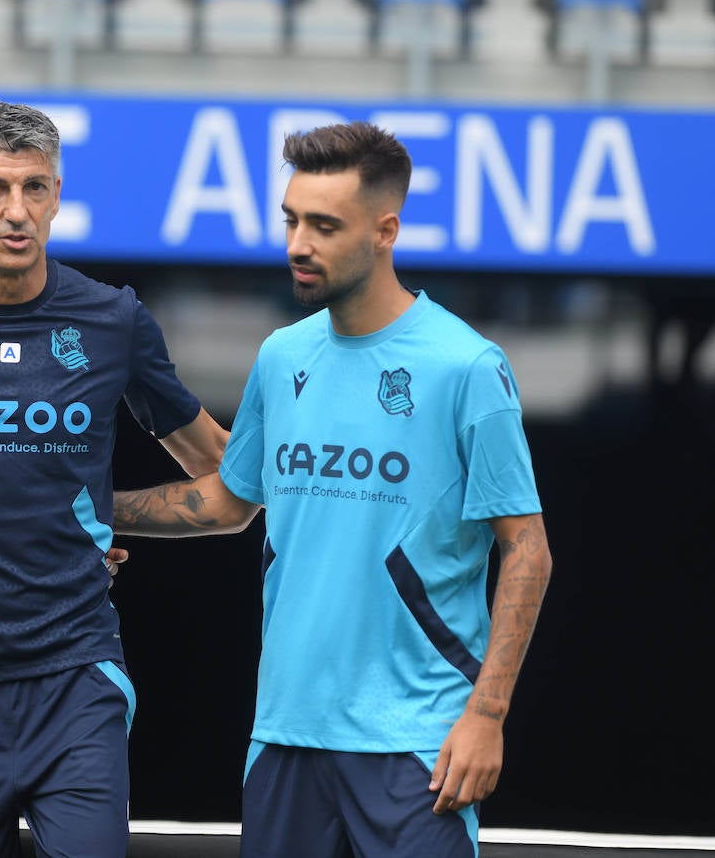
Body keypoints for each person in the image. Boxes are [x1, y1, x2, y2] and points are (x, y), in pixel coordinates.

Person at [111, 121, 554, 858]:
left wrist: (487, 714)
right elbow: (227, 502)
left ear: (385, 231)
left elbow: (528, 550)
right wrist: (86, 512)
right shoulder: (281, 355)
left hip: (416, 743)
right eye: (291, 220)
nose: (298, 244)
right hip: (284, 734)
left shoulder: (468, 366)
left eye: (324, 225)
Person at [0, 100, 229, 857]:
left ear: (57, 195)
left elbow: (225, 481)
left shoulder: (114, 321)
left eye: (34, 187)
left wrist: (90, 519)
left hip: (76, 681)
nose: (15, 211)